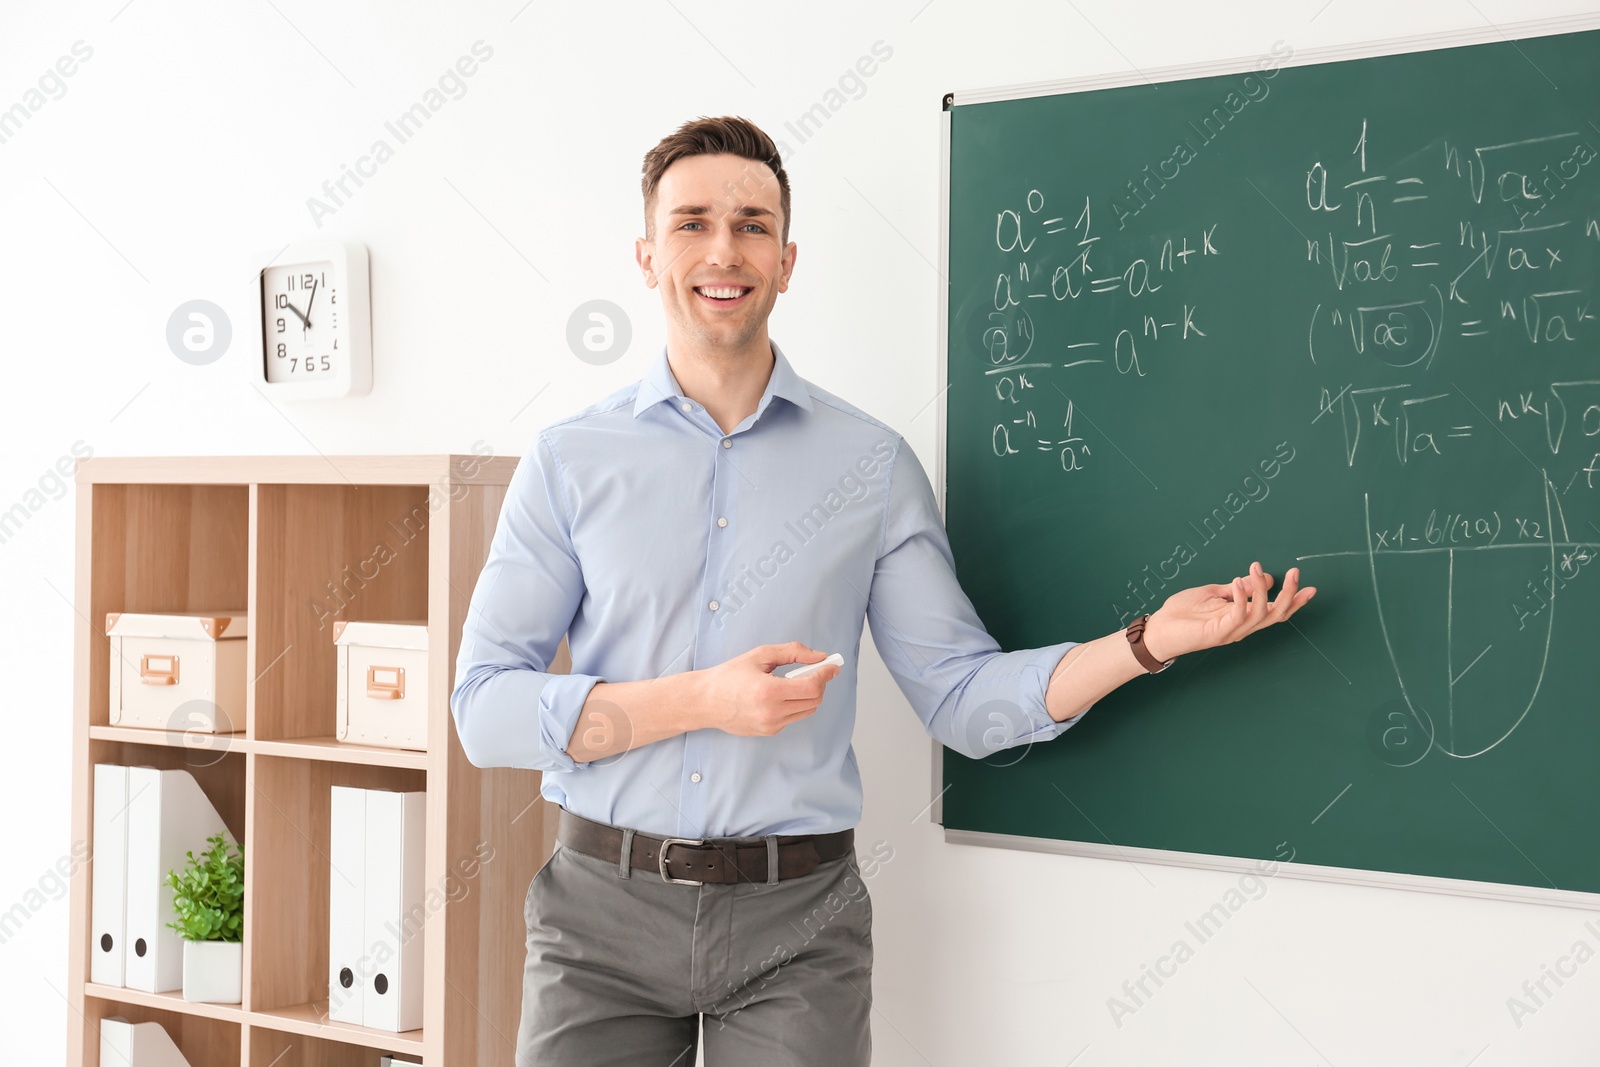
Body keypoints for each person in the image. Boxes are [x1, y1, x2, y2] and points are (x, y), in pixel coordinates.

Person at [449, 114, 1316, 1067]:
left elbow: (960, 698)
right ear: (648, 253)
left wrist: (1148, 641)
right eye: (692, 222)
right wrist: (704, 700)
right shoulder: (572, 460)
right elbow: (485, 711)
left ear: (787, 258)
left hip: (797, 928)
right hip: (600, 914)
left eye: (752, 223)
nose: (723, 249)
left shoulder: (871, 464)